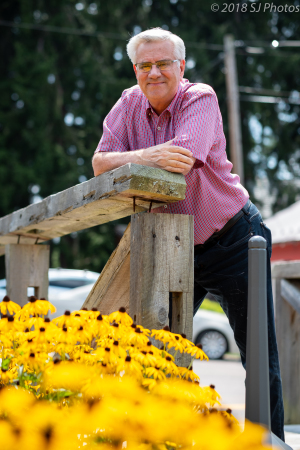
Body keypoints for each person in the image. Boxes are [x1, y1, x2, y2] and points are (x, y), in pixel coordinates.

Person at [92, 28, 284, 440]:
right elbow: (99, 163)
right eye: (145, 65)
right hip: (173, 246)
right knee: (154, 352)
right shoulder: (128, 103)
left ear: (181, 66)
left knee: (258, 356)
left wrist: (130, 160)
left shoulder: (200, 97)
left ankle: (269, 442)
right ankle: (162, 439)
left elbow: (180, 162)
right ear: (135, 69)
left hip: (234, 238)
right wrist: (145, 155)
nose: (154, 72)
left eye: (164, 63)